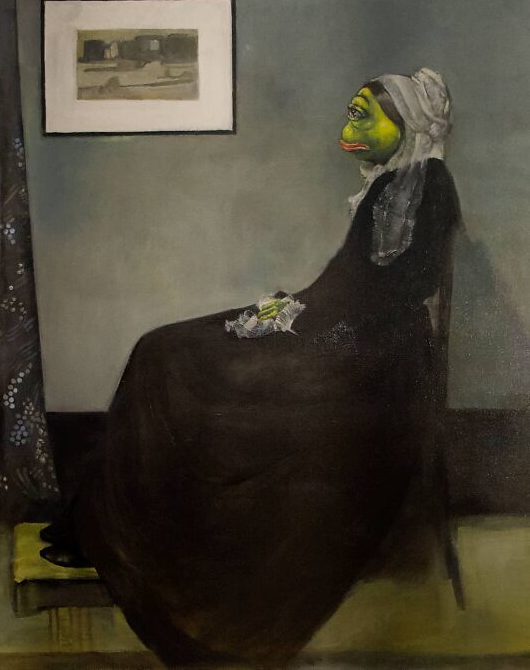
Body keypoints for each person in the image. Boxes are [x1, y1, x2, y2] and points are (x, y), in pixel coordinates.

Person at [43, 68, 461, 667]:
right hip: (345, 336)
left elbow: (388, 292)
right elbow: (345, 286)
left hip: (369, 363)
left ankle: (118, 534)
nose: (349, 124)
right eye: (351, 109)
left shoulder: (426, 186)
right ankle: (105, 525)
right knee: (162, 348)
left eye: (364, 114)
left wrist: (290, 318)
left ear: (408, 126)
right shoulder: (389, 186)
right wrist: (280, 309)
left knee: (179, 361)